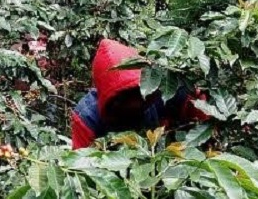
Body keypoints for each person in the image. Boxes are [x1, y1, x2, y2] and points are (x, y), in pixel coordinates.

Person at [71, 39, 208, 149]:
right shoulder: (87, 118)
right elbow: (82, 168)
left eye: (137, 93)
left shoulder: (165, 92)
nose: (135, 103)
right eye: (126, 97)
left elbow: (202, 118)